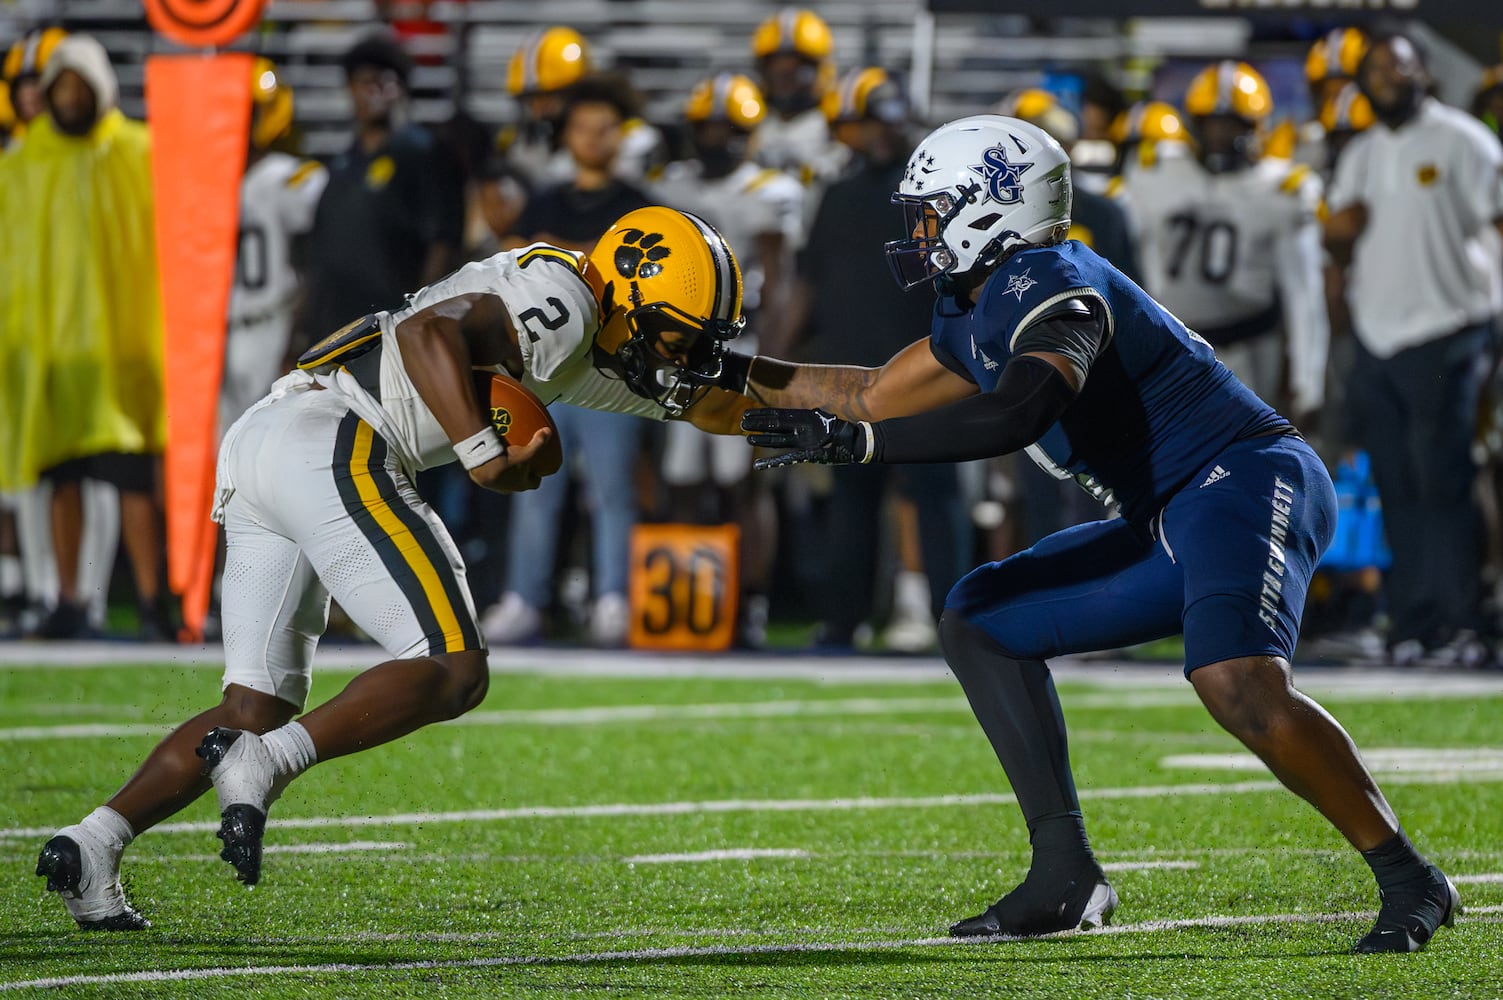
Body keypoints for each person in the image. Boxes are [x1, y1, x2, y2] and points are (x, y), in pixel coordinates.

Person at [723, 114, 1459, 952]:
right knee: (982, 619)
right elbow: (865, 393)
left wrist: (861, 444)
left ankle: (1409, 878)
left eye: (931, 211)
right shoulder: (972, 304)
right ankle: (1065, 875)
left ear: (989, 207)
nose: (918, 232)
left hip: (1245, 476)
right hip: (1166, 512)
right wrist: (711, 372)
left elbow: (1020, 408)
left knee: (1234, 682)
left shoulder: (1053, 280)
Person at [35, 205, 757, 929]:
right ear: (635, 294)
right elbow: (428, 331)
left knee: (251, 707)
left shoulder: (577, 336)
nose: (685, 355)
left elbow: (742, 392)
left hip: (265, 435)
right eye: (680, 334)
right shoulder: (565, 301)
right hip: (334, 438)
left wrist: (858, 416)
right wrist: (482, 456)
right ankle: (268, 763)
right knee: (452, 668)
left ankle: (93, 842)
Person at [1324, 33, 1503, 667]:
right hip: (1379, 336)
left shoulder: (1465, 140)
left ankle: (1463, 621)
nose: (1386, 76)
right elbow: (1339, 238)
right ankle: (1412, 619)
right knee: (1397, 483)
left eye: (1396, 64)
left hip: (1452, 326)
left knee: (1445, 479)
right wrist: (1339, 242)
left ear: (1422, 70)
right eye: (1374, 68)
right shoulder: (1364, 152)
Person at [776, 66, 966, 651]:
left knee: (935, 498)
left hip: (926, 370)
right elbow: (808, 284)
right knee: (851, 502)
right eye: (865, 122)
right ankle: (843, 619)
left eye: (886, 119)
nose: (878, 133)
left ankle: (955, 620)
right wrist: (778, 361)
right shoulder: (837, 194)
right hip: (850, 374)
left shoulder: (937, 195)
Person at [0, 33, 172, 640]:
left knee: (133, 480)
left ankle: (155, 600)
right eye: (60, 86)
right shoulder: (23, 164)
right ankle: (69, 599)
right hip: (52, 354)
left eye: (80, 85)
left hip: (123, 348)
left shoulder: (139, 151)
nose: (70, 96)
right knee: (61, 479)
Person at [480, 73, 657, 646]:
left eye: (604, 128)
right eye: (583, 128)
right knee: (534, 487)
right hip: (546, 366)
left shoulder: (638, 205)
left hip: (610, 366)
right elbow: (510, 263)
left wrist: (561, 254)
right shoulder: (546, 198)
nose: (593, 139)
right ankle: (526, 596)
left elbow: (630, 275)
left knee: (611, 489)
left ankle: (614, 596)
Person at [650, 72, 803, 644]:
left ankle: (751, 602)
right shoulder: (674, 184)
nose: (716, 139)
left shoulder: (770, 188)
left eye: (726, 128)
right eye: (706, 128)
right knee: (682, 478)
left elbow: (781, 279)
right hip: (680, 350)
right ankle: (694, 601)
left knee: (744, 480)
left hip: (743, 345)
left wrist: (777, 364)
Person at [1121, 61, 1328, 424]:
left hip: (1247, 348)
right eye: (1211, 123)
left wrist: (1307, 382)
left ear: (1256, 126)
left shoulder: (1282, 188)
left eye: (1232, 123)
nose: (1220, 135)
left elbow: (1304, 293)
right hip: (1169, 345)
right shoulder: (1155, 171)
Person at [297, 31, 464, 346]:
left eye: (384, 81)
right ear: (350, 89)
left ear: (400, 88)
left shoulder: (423, 151)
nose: (374, 92)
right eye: (365, 82)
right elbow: (320, 255)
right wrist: (300, 330)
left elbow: (443, 240)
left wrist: (418, 318)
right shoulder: (343, 162)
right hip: (333, 329)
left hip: (391, 327)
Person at [222, 58, 328, 431]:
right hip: (222, 333)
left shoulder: (290, 178)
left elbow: (316, 265)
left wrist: (300, 335)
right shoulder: (207, 181)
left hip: (275, 324)